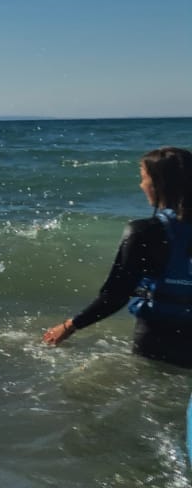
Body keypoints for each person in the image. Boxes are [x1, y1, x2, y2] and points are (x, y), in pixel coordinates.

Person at [43, 147, 192, 367]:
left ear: (158, 184)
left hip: (157, 341)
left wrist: (69, 326)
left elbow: (115, 296)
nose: (141, 185)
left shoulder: (145, 231)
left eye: (143, 178)